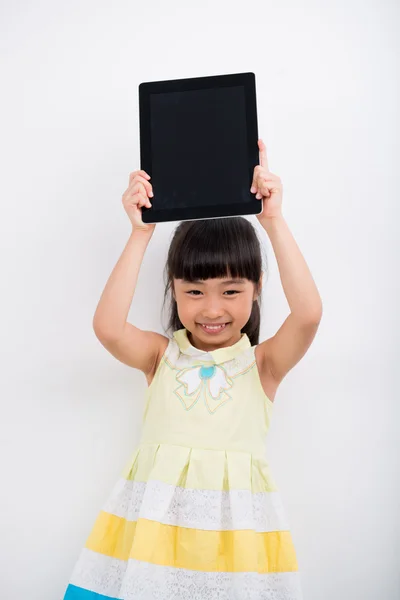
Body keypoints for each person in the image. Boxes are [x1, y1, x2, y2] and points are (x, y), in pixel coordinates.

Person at [63, 139, 322, 599]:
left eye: (230, 291)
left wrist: (274, 222)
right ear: (174, 290)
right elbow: (107, 327)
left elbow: (307, 316)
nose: (212, 309)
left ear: (257, 288)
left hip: (232, 545)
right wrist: (140, 233)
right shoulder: (162, 357)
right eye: (194, 292)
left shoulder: (261, 365)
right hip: (151, 536)